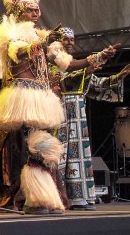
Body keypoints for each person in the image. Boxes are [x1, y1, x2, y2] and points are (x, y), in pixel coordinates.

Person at [0, 0, 73, 214]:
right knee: (25, 148)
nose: (36, 13)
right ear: (20, 9)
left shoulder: (40, 34)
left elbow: (65, 62)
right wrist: (42, 42)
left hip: (41, 98)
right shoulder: (11, 32)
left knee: (41, 146)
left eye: (37, 9)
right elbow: (18, 53)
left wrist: (96, 59)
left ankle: (44, 196)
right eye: (31, 9)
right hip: (22, 97)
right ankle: (28, 196)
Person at [54, 27, 130, 210]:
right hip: (61, 113)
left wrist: (117, 78)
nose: (71, 42)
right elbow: (66, 79)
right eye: (67, 39)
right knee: (62, 156)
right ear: (58, 42)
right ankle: (59, 197)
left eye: (73, 39)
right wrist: (90, 67)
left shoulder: (76, 64)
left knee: (79, 156)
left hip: (78, 114)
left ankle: (79, 196)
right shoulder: (55, 62)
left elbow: (94, 85)